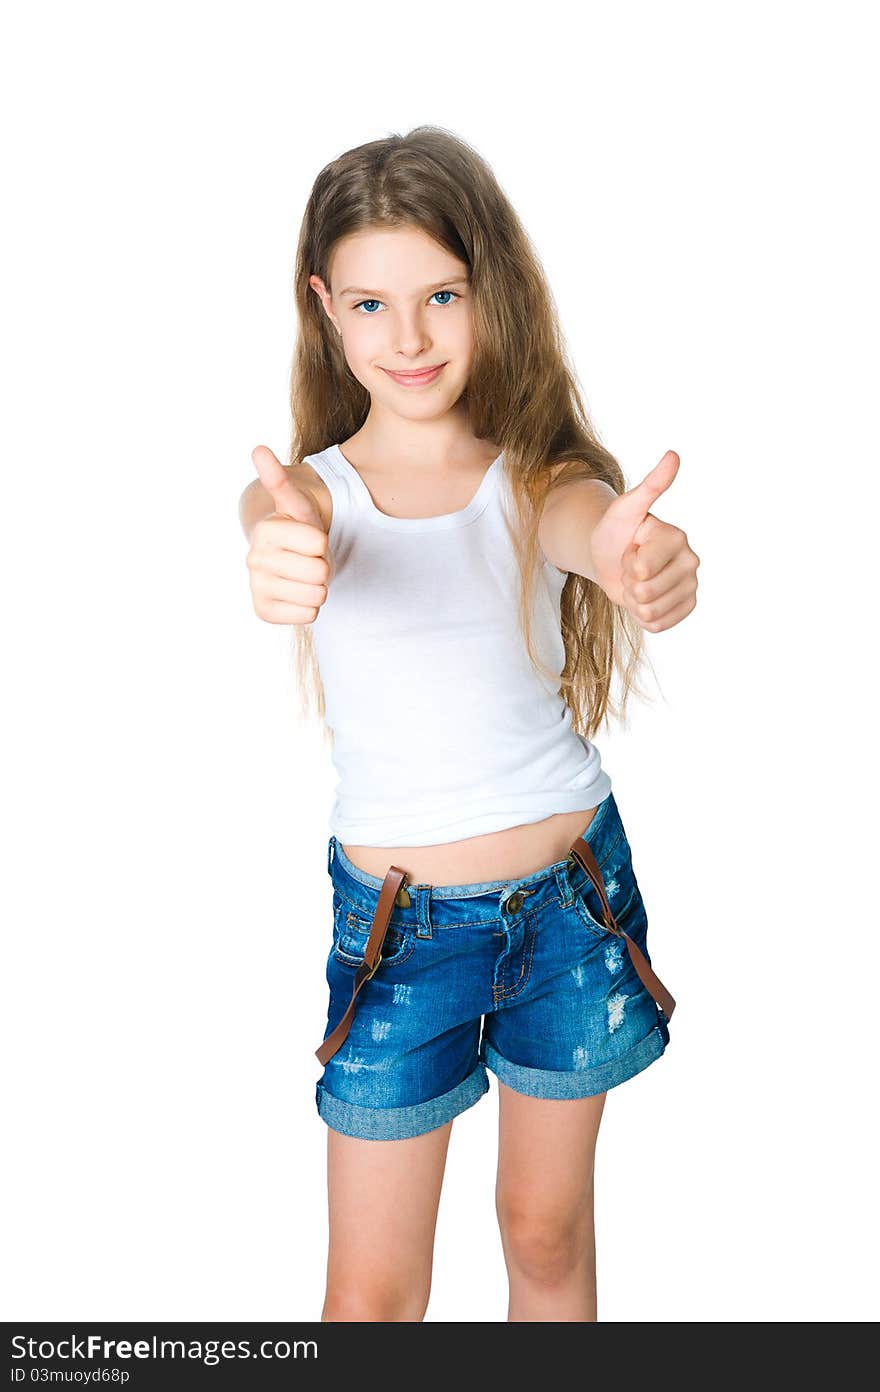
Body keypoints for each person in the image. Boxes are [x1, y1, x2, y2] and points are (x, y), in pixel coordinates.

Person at [238, 126, 699, 1323]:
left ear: (488, 289)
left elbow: (588, 525)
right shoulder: (314, 495)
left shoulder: (533, 473)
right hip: (401, 936)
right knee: (373, 1296)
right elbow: (273, 520)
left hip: (572, 904)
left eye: (441, 294)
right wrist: (275, 552)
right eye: (373, 302)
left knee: (544, 1238)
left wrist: (634, 557)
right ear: (322, 307)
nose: (409, 337)